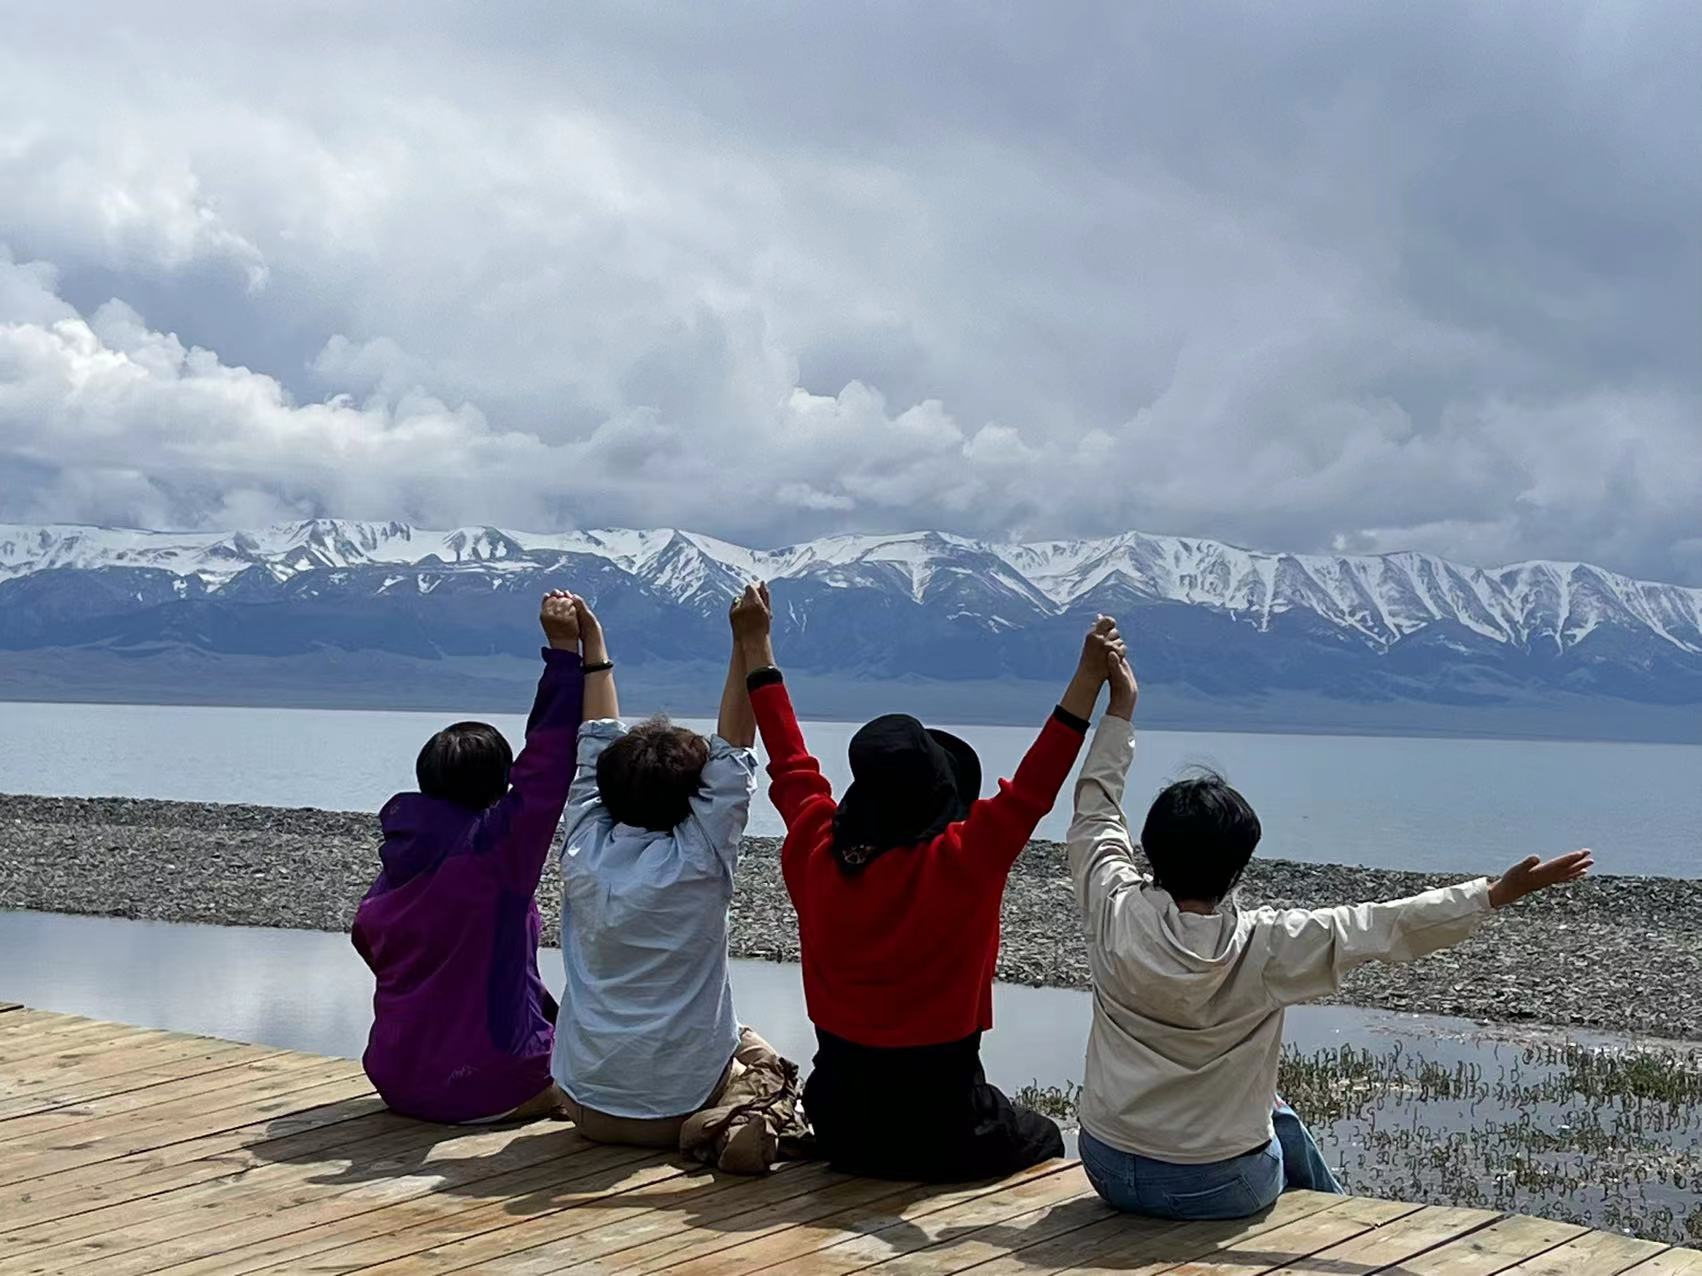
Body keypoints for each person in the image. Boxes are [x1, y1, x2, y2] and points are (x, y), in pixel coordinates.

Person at [1068, 644, 1595, 1220]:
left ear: (1151, 850)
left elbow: (1095, 809)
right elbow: (1386, 925)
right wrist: (1494, 894)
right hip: (1218, 1186)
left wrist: (1120, 707)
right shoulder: (1266, 944)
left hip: (1109, 1166)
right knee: (1278, 1119)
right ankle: (1345, 1223)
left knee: (1272, 1111)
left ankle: (1340, 1216)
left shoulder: (1112, 908)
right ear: (1239, 869)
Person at [737, 581, 1125, 1181]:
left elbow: (789, 760)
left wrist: (755, 645)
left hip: (842, 1120)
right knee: (1044, 1137)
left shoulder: (815, 845)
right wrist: (1091, 680)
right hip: (947, 1125)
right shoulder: (963, 859)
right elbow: (1033, 788)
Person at [551, 585, 792, 1162]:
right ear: (695, 798)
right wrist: (748, 642)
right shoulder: (702, 856)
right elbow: (736, 749)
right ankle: (736, 1123)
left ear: (606, 792)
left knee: (739, 1036)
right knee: (767, 1062)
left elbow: (594, 749)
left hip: (583, 1103)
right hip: (680, 1102)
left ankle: (730, 1119)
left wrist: (590, 642)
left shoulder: (583, 848)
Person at [352, 590, 586, 1124]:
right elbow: (547, 766)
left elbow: (367, 936)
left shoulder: (399, 863)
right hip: (492, 1083)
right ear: (499, 785)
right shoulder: (497, 854)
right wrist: (565, 655)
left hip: (397, 1079)